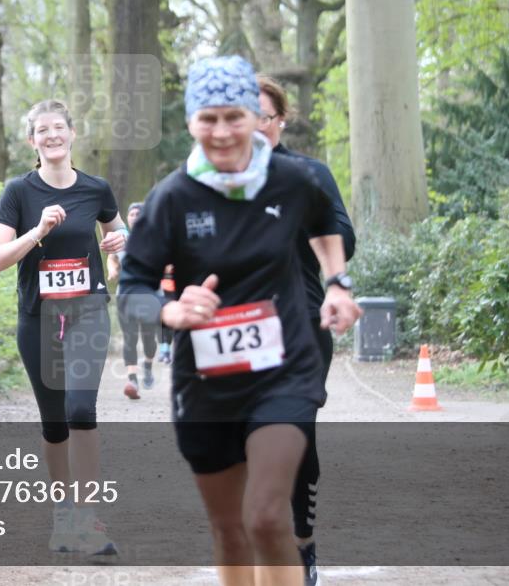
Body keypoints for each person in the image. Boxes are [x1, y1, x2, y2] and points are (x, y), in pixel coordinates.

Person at [119, 56, 360, 586]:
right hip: (205, 381)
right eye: (208, 118)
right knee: (230, 531)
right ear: (190, 122)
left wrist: (338, 283)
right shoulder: (171, 198)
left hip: (284, 368)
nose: (222, 131)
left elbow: (327, 225)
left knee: (267, 516)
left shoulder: (294, 180)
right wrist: (171, 310)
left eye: (234, 116)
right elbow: (131, 286)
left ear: (258, 117)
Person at [0, 99, 127, 556]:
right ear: (32, 141)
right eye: (41, 130)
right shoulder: (18, 192)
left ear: (71, 134)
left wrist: (120, 249)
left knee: (81, 410)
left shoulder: (96, 189)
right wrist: (37, 231)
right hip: (38, 318)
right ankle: (63, 515)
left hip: (87, 310)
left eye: (58, 127)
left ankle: (87, 519)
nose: (51, 135)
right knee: (54, 423)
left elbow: (115, 249)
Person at [257, 75, 355, 586]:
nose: (252, 127)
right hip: (235, 330)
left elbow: (344, 234)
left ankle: (302, 541)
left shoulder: (309, 174)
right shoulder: (210, 180)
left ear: (281, 121)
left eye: (263, 117)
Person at [106, 202, 160, 399]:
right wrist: (112, 269)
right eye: (131, 213)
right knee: (130, 338)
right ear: (127, 218)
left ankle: (147, 364)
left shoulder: (155, 238)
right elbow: (112, 257)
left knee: (148, 338)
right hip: (125, 296)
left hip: (149, 296)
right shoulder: (121, 238)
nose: (134, 216)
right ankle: (132, 380)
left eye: (139, 213)